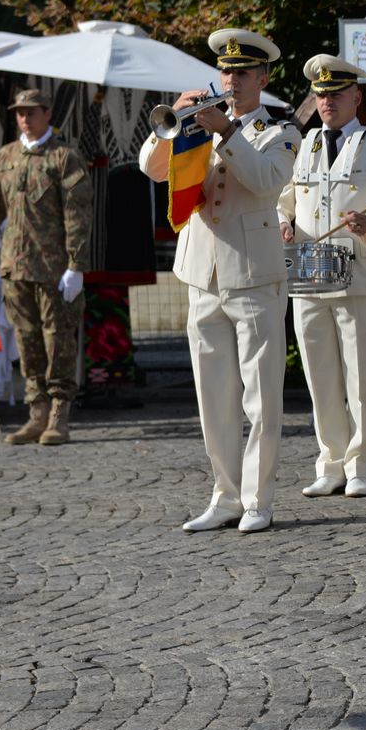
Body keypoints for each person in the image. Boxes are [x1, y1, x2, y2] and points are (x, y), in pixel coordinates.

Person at [135, 30, 298, 531]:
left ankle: (257, 500)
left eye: (242, 73)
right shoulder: (196, 128)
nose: (231, 80)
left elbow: (268, 181)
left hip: (254, 275)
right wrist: (173, 124)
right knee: (213, 393)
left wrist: (228, 131)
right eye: (226, 72)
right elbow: (152, 170)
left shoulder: (281, 131)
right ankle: (224, 495)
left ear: (262, 79)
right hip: (202, 273)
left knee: (261, 396)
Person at [280, 55, 366, 500]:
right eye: (320, 95)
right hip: (310, 267)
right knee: (320, 376)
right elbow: (287, 198)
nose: (327, 102)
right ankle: (329, 463)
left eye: (335, 94)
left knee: (359, 378)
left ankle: (360, 467)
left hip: (357, 271)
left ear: (356, 97)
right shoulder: (306, 144)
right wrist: (283, 219)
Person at [0, 88, 92, 447]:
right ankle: (37, 411)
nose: (25, 118)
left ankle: (59, 411)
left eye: (32, 112)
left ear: (46, 113)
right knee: (27, 342)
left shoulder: (64, 157)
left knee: (58, 340)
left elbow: (78, 217)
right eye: (19, 113)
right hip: (15, 266)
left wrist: (77, 265)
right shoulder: (6, 157)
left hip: (54, 269)